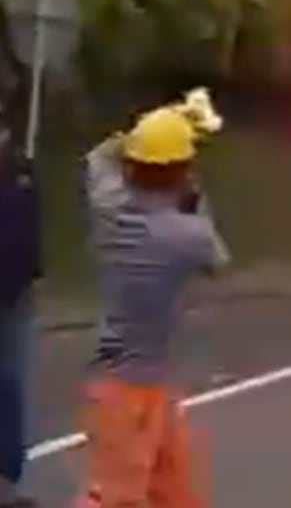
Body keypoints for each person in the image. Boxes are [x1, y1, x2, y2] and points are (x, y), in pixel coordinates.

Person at [73, 92, 230, 508]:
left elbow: (96, 159)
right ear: (183, 171)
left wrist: (143, 132)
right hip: (135, 392)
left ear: (132, 165)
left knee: (173, 495)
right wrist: (195, 194)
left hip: (126, 385)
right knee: (117, 500)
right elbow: (219, 261)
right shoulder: (186, 235)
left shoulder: (109, 209)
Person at [0, 135, 39, 508]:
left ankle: (18, 483)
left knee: (13, 386)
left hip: (15, 296)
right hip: (13, 293)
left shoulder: (22, 173)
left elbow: (28, 235)